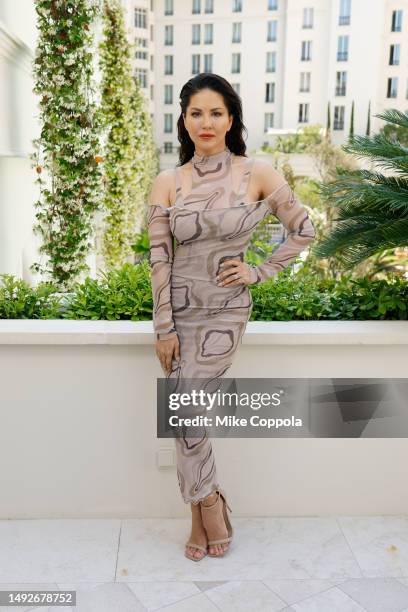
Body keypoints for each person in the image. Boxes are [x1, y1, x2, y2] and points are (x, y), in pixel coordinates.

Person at [147, 73, 316, 562]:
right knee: (183, 415)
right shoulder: (169, 181)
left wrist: (259, 271)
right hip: (179, 313)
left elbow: (303, 230)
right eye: (196, 113)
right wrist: (163, 326)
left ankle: (209, 506)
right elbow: (159, 259)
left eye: (216, 112)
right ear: (183, 120)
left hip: (224, 312)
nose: (206, 122)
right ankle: (205, 507)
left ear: (231, 118)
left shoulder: (256, 172)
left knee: (187, 409)